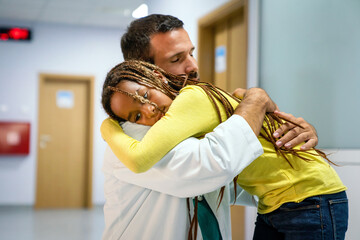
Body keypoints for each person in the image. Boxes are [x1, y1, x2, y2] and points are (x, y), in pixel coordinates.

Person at [101, 14, 320, 239]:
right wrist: (256, 100)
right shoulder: (133, 137)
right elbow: (215, 166)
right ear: (147, 71)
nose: (193, 66)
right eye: (176, 59)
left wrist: (294, 144)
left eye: (191, 53)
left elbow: (244, 182)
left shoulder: (189, 119)